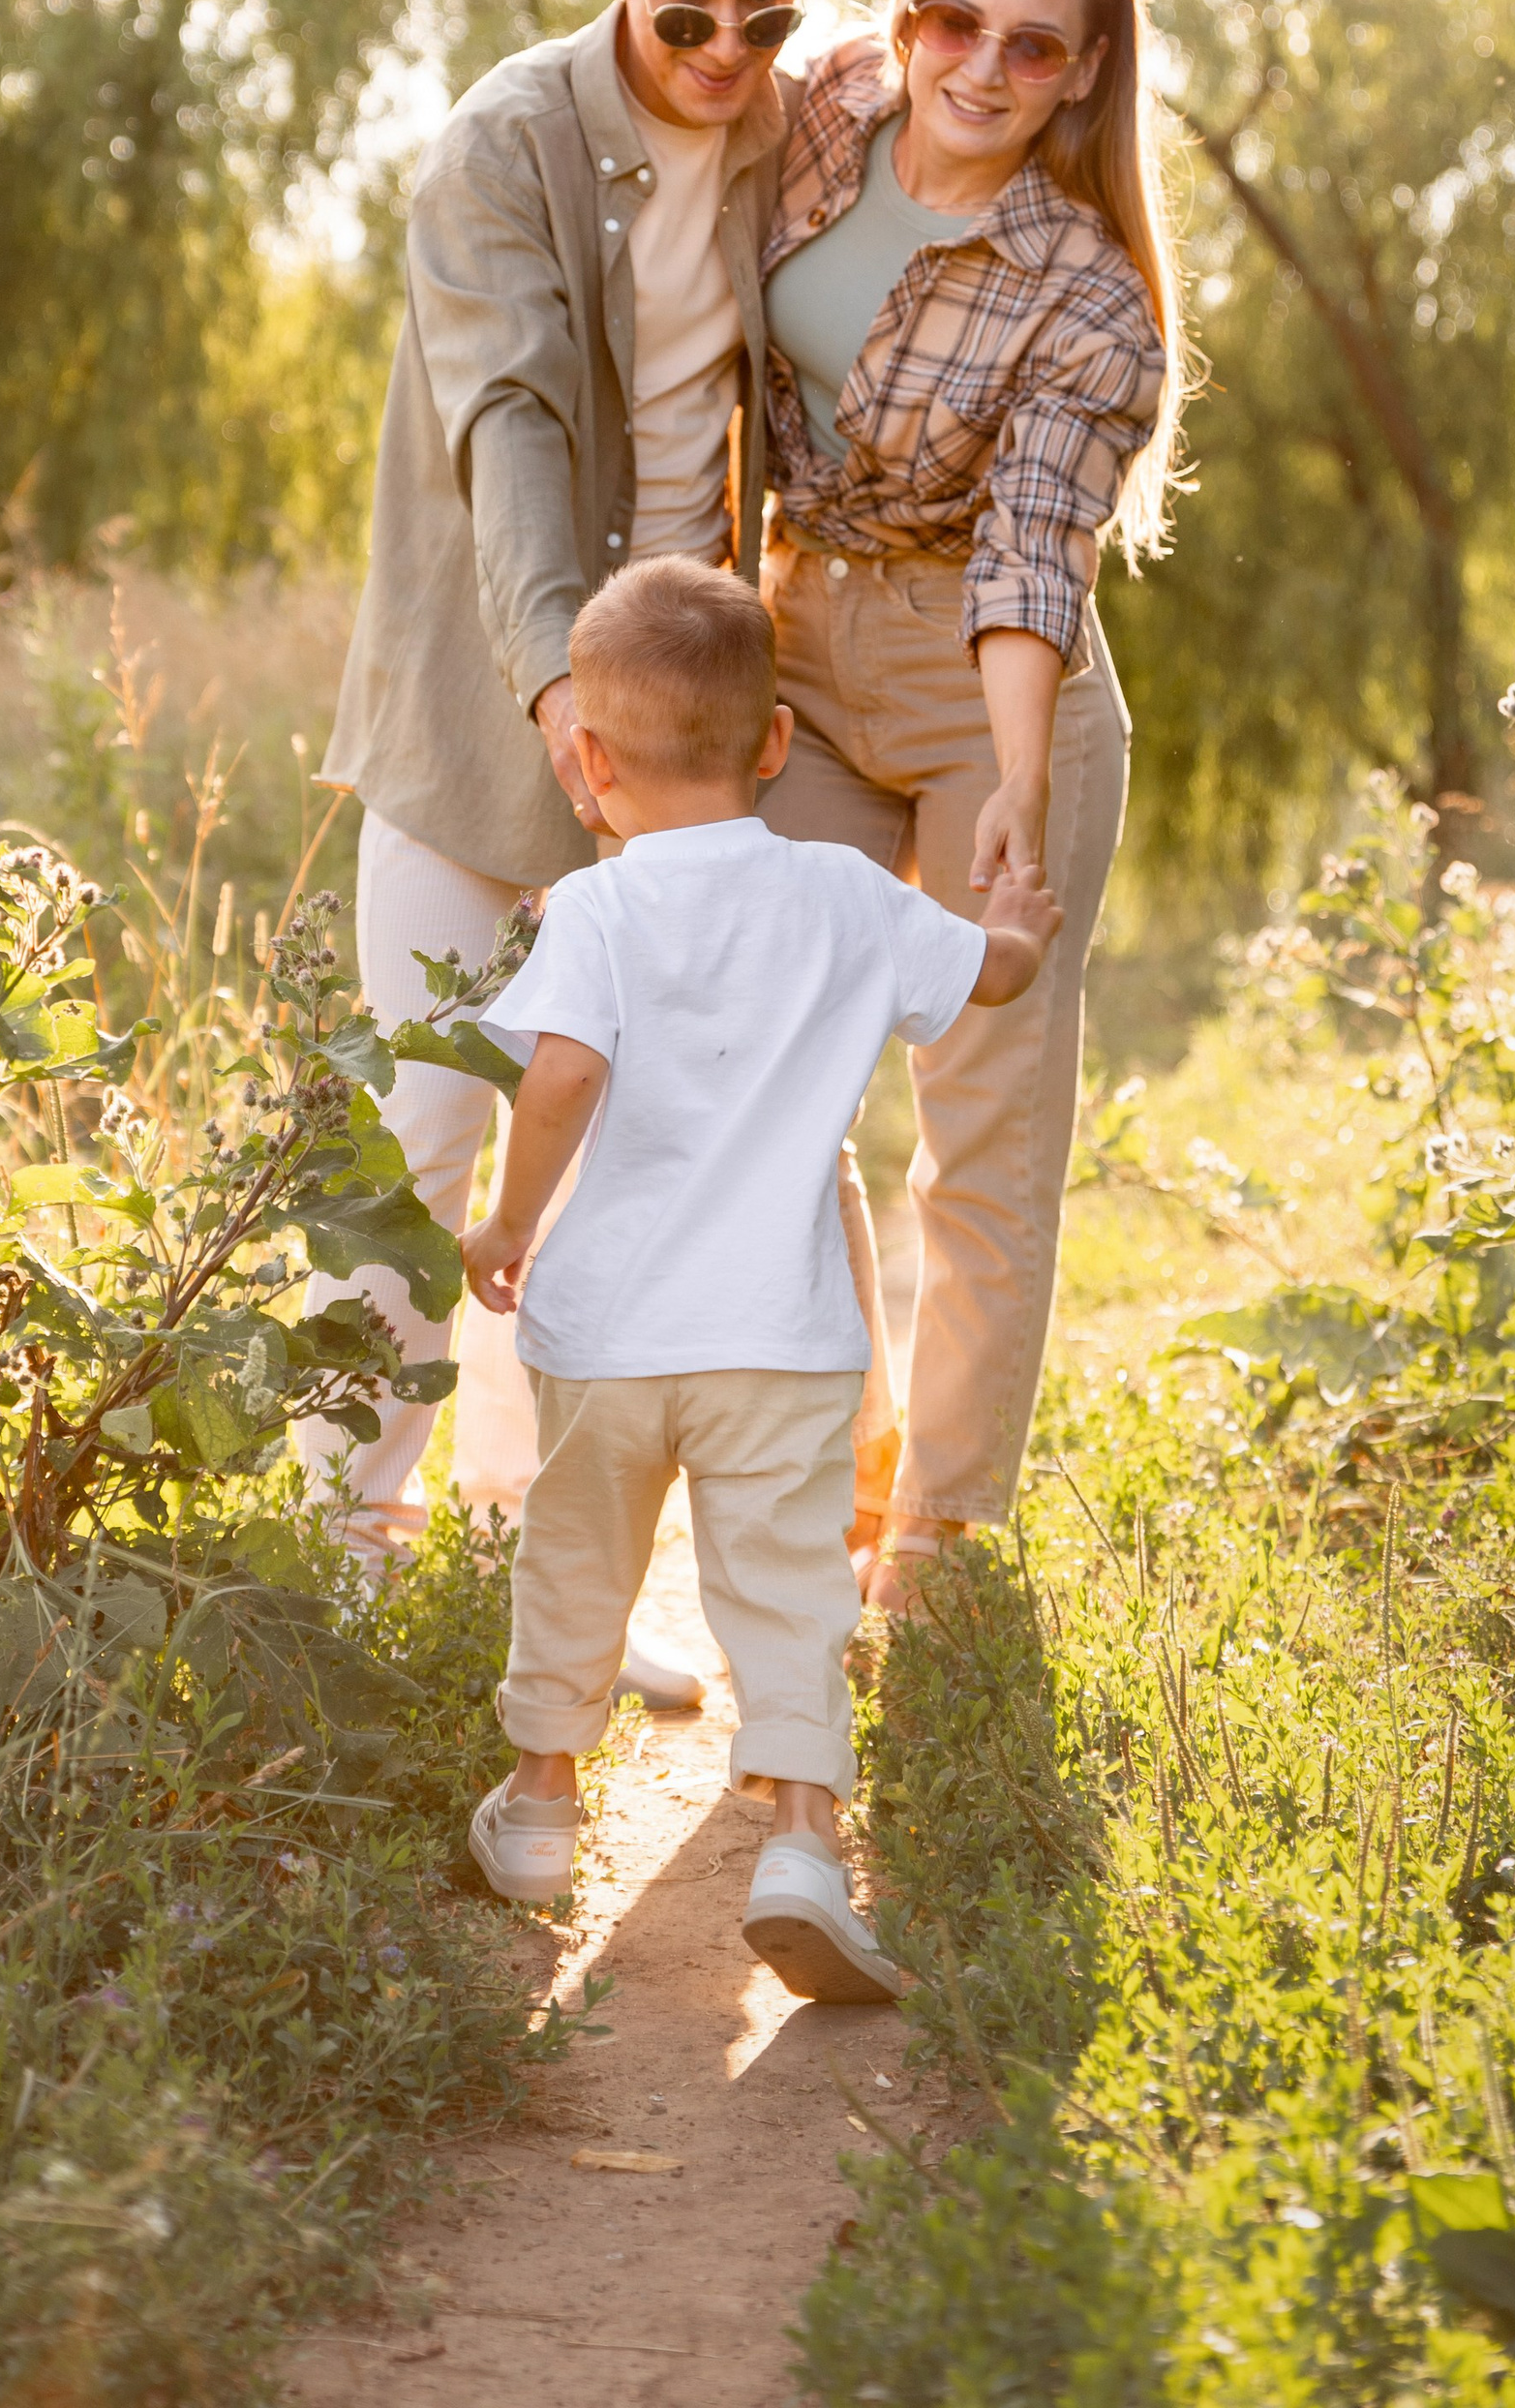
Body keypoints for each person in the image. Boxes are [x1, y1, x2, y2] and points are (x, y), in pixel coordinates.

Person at [311, 0, 823, 1631]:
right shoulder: (504, 143)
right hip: (491, 712)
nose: (724, 51)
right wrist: (557, 689)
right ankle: (348, 1567)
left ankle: (573, 1598)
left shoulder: (798, 133)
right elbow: (510, 429)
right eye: (686, 8)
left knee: (633, 1178)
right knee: (423, 1146)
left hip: (695, 747)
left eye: (765, 10)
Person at [454, 558, 1060, 1997]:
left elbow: (562, 1075)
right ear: (778, 744)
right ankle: (799, 1842)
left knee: (577, 1559)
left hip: (604, 1339)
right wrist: (1022, 921)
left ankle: (540, 1806)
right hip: (781, 1343)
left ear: (588, 763)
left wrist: (506, 1223)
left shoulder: (594, 910)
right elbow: (993, 976)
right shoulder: (848, 894)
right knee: (789, 1592)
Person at [757, 0, 1187, 1606]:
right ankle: (845, 1452)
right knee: (773, 1068)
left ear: (1081, 75)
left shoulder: (1090, 302)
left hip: (987, 671)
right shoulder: (828, 106)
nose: (981, 67)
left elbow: (1033, 549)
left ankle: (939, 1538)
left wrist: (1016, 776)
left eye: (1031, 46)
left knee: (981, 1112)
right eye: (957, 21)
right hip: (797, 637)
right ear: (909, 8)